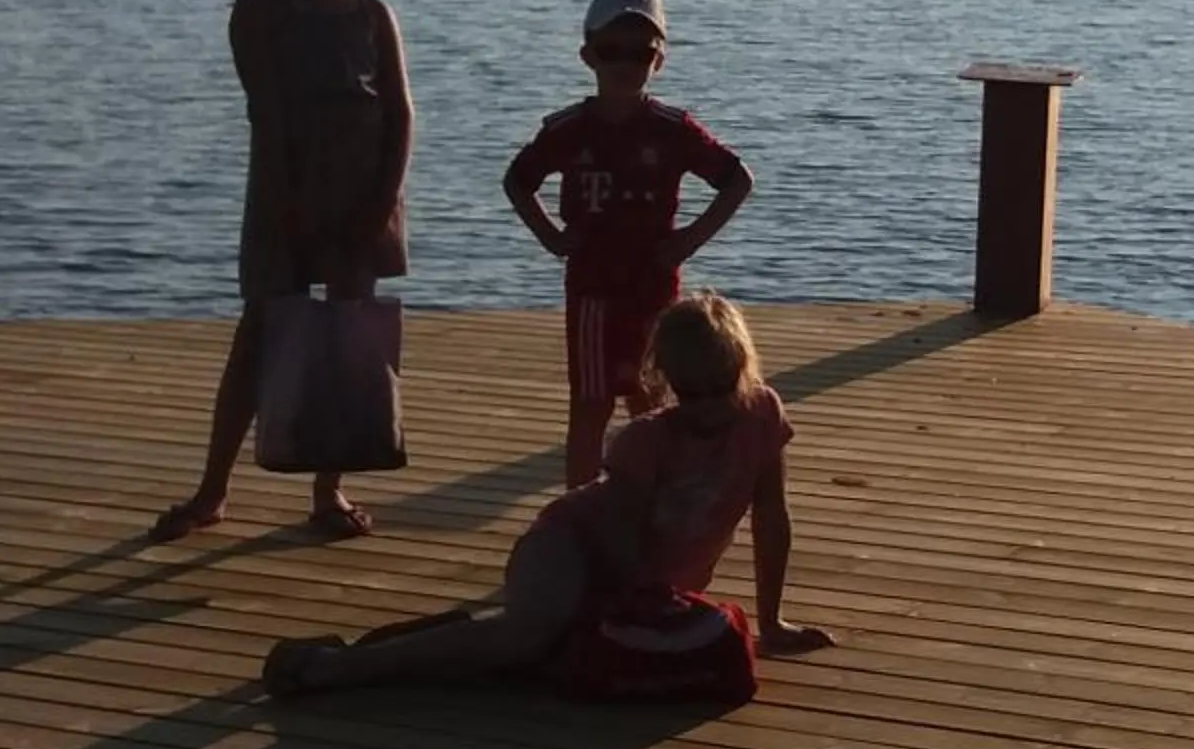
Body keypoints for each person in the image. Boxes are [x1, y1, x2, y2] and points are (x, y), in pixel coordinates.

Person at [263, 291, 832, 694]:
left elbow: (770, 516)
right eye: (690, 392)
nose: (706, 406)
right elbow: (624, 540)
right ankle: (335, 667)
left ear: (744, 371)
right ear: (666, 384)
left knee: (552, 659)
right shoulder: (644, 441)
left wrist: (772, 621)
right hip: (570, 546)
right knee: (525, 641)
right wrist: (647, 605)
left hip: (647, 581)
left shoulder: (762, 416)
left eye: (720, 389)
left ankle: (445, 641)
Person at [153, 0, 411, 544]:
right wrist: (289, 206)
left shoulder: (370, 13)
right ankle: (213, 491)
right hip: (284, 195)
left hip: (364, 199)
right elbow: (266, 114)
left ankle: (329, 490)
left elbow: (400, 115)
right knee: (260, 336)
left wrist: (379, 203)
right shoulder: (260, 8)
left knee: (348, 341)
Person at [503, 0, 754, 487]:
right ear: (588, 56)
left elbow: (736, 180)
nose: (625, 64)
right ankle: (581, 508)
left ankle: (654, 498)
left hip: (654, 289)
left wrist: (689, 239)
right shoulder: (568, 130)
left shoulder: (673, 129)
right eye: (611, 51)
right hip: (593, 287)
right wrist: (551, 237)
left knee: (653, 401)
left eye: (640, 52)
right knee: (591, 404)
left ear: (658, 60)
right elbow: (518, 180)